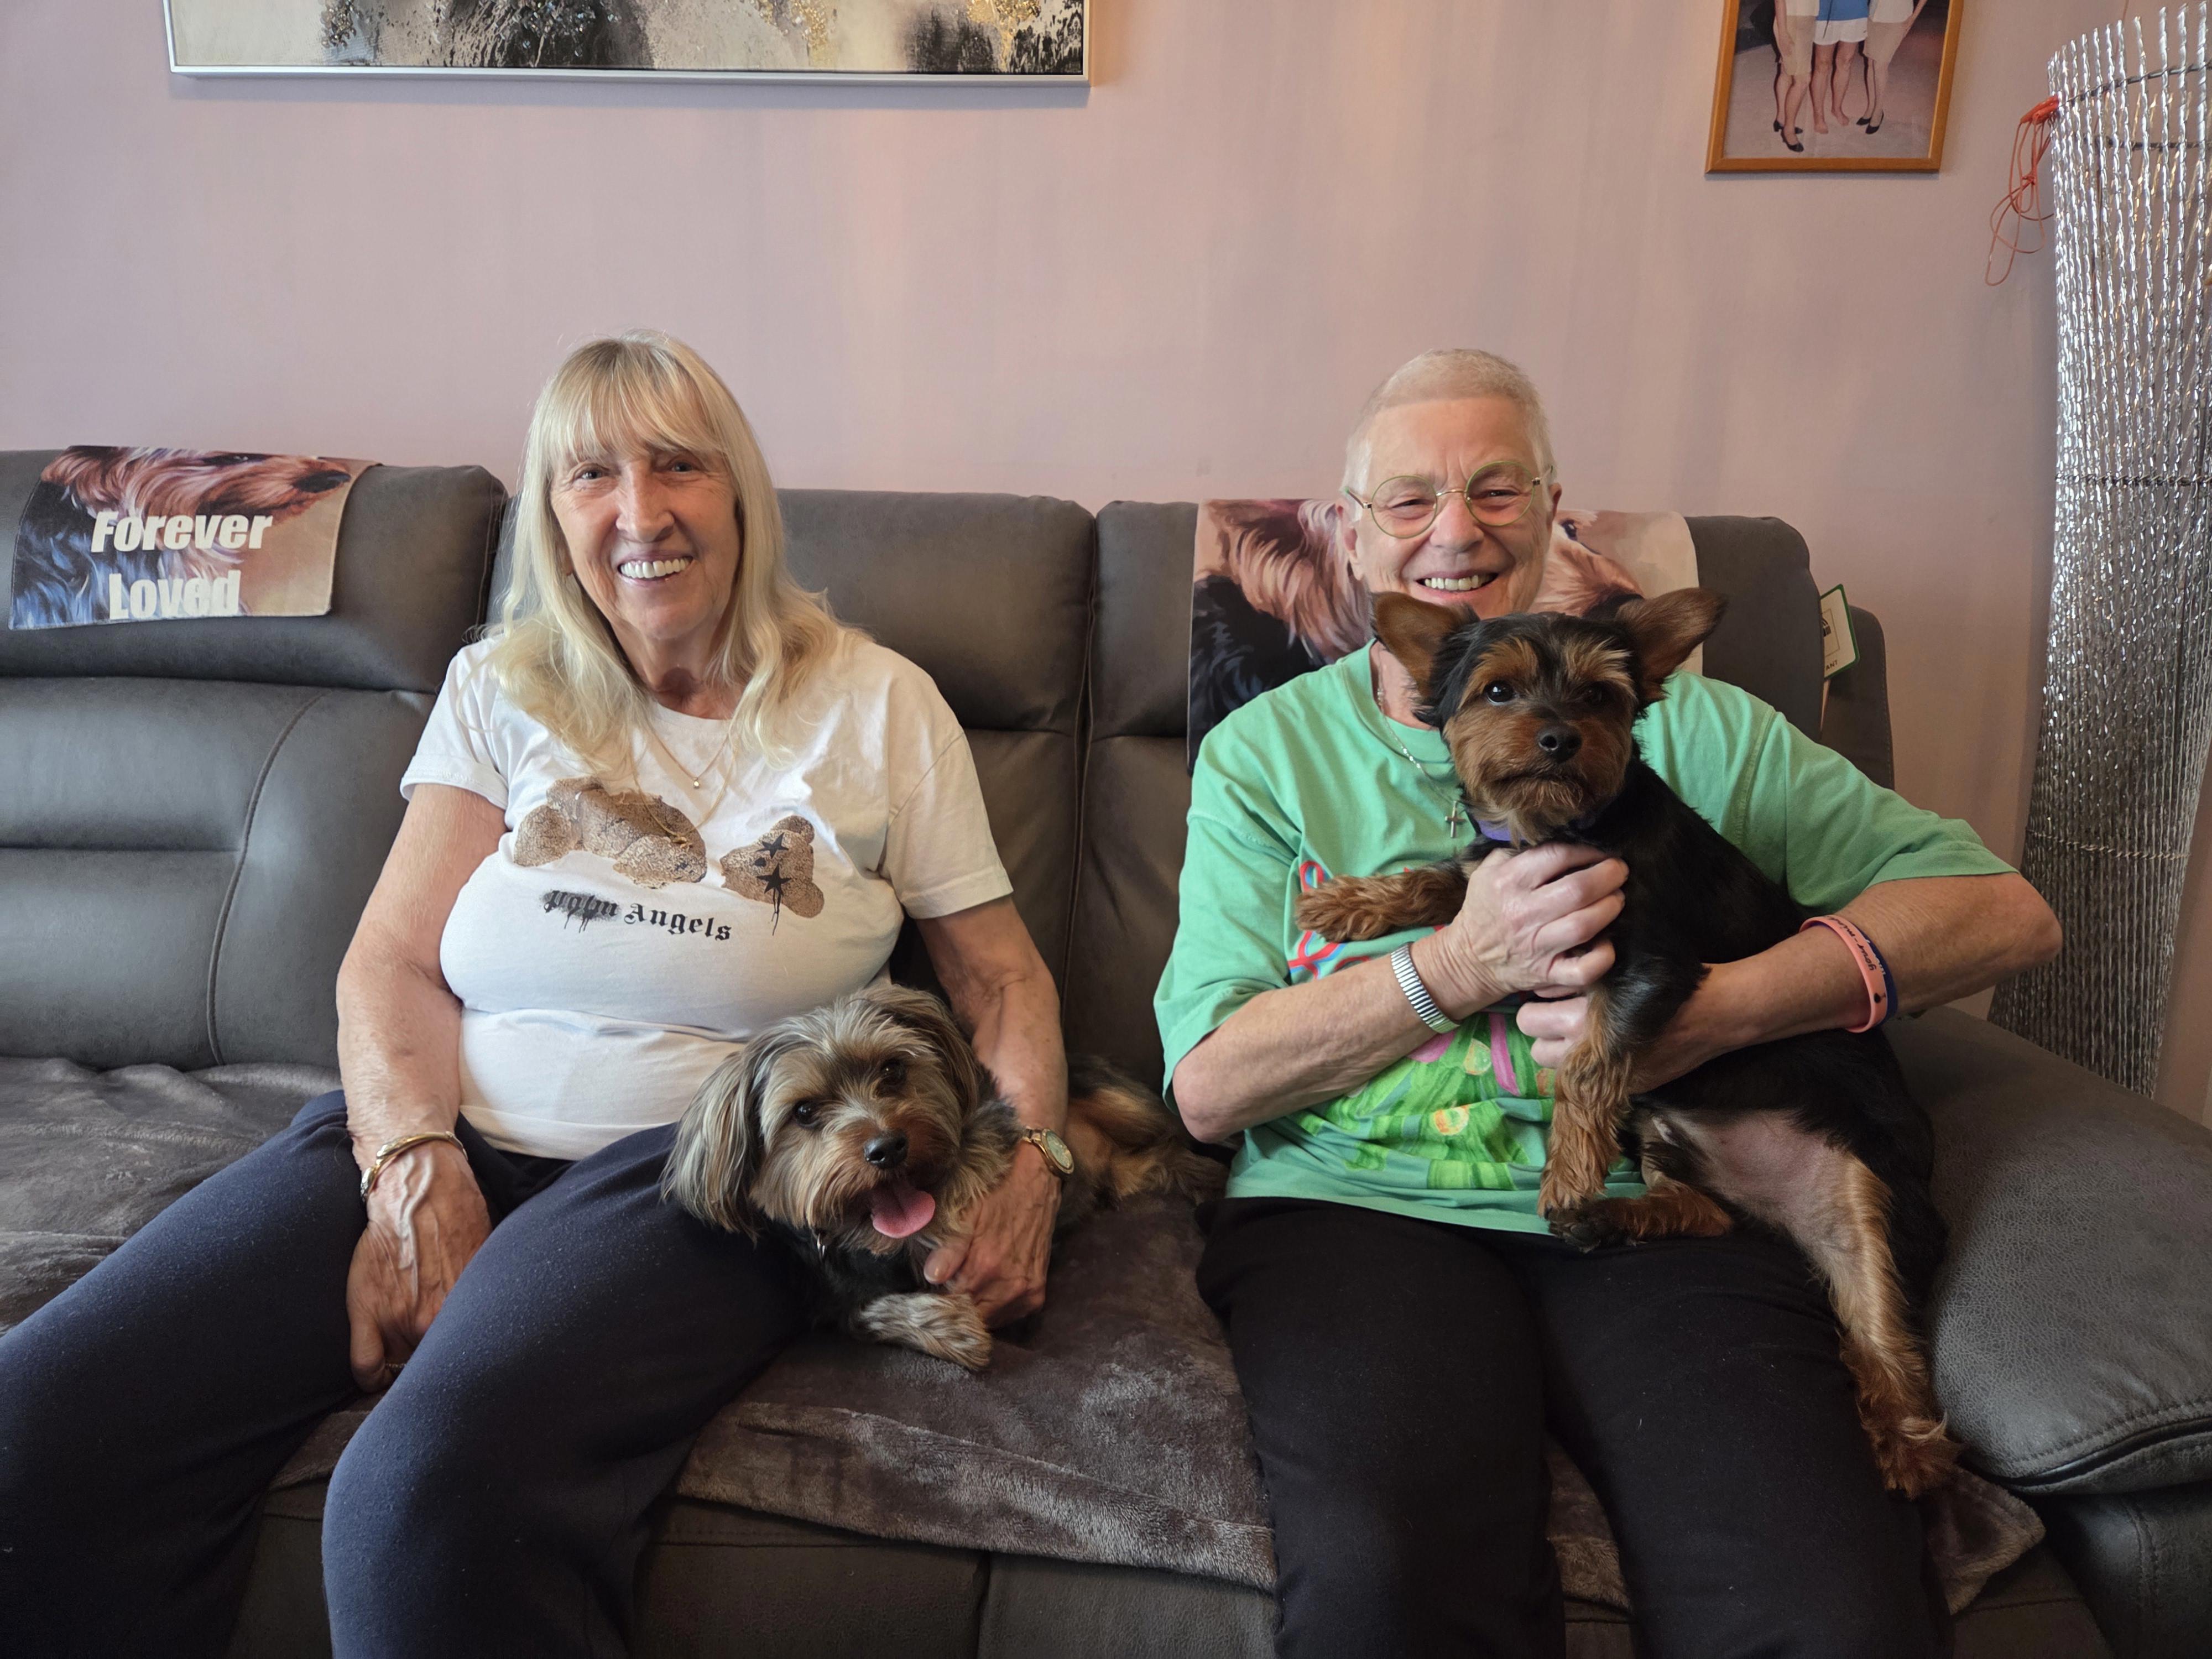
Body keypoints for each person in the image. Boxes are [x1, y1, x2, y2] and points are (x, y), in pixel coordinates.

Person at [0, 331, 1071, 1658]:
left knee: (421, 1490)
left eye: (678, 464)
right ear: (552, 513)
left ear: (739, 489)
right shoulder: (498, 686)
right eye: (588, 475)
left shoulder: (878, 706)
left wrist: (1029, 1155)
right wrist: (409, 1159)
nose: (638, 511)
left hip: (694, 1167)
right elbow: (388, 961)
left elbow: (1000, 974)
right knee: (40, 1421)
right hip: (432, 1119)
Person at [1157, 348, 2062, 1657]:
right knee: (1386, 1589)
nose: (1454, 529)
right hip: (1362, 1216)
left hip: (1668, 1207)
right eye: (1406, 500)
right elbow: (1205, 1086)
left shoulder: (1703, 733)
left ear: (1552, 508)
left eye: (1495, 487)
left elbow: (2001, 913)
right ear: (1349, 538)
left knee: (1826, 1607)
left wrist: (1725, 1010)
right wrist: (1454, 965)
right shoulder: (1263, 753)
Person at [1863, 0, 1932, 136]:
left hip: (1898, 19)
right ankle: (1871, 106)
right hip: (1874, 16)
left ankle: (1878, 110)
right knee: (1871, 62)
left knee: (1881, 64)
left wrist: (1913, 18)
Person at [1813, 0, 1871, 133]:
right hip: (1825, 11)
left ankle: (1837, 108)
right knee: (1822, 65)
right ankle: (1818, 115)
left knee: (1846, 62)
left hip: (1856, 10)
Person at [1774, 0, 1820, 151]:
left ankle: (1781, 119)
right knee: (1803, 80)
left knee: (1787, 72)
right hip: (1792, 21)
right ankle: (1788, 130)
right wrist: (1783, 32)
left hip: (1806, 19)